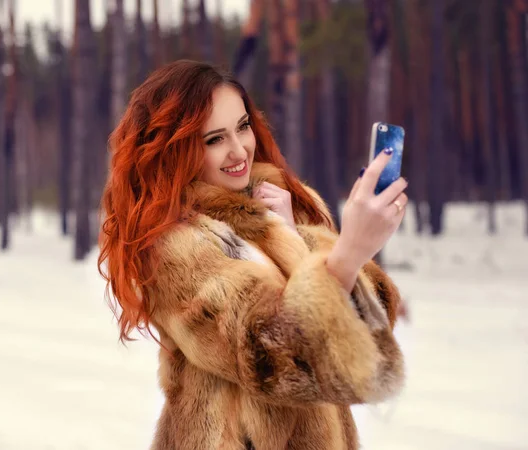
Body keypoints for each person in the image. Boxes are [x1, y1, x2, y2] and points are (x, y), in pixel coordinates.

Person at [98, 60, 408, 450]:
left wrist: (294, 238)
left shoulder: (284, 204)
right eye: (213, 139)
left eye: (242, 127)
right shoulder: (172, 246)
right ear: (176, 151)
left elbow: (370, 331)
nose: (238, 150)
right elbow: (271, 354)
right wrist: (348, 252)